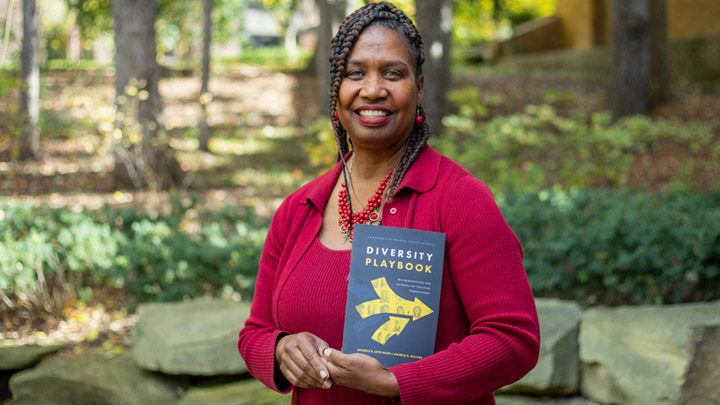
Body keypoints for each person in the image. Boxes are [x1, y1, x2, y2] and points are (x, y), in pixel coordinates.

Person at [238, 2, 540, 404]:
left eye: (393, 73)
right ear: (337, 90)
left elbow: (513, 339)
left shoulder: (459, 199)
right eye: (355, 73)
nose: (373, 89)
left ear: (419, 87)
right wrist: (279, 350)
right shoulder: (299, 208)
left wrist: (397, 383)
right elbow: (254, 332)